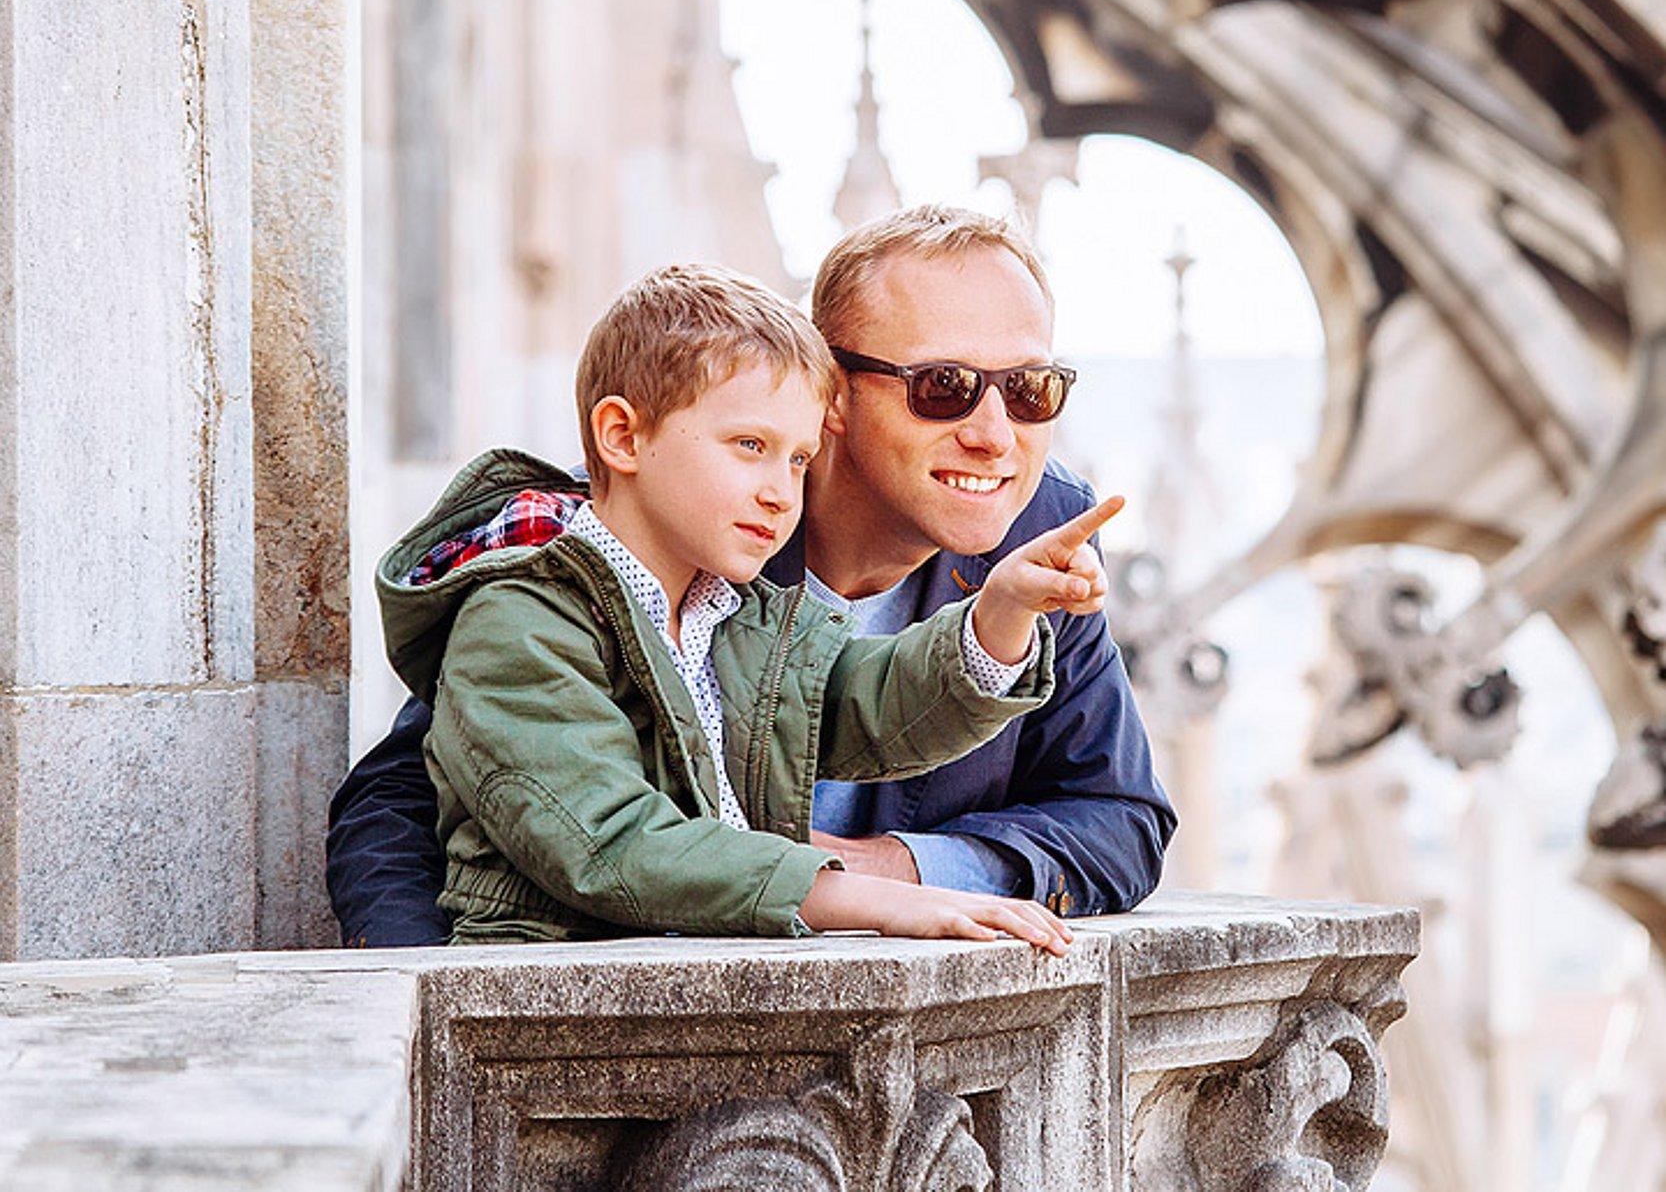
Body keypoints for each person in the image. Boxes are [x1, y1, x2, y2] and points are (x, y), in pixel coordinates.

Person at [328, 205, 1175, 947]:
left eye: (1029, 389)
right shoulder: (645, 531)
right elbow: (417, 796)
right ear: (831, 392)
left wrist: (898, 867)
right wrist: (419, 996)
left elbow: (1117, 817)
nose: (995, 436)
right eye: (943, 387)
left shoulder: (1043, 531)